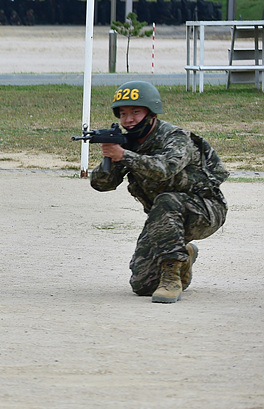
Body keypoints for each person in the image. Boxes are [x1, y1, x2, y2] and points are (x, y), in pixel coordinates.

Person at [90, 81, 229, 303]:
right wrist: (111, 158)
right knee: (142, 285)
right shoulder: (129, 143)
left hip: (206, 211)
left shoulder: (175, 138)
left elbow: (165, 169)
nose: (129, 119)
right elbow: (101, 184)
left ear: (151, 113)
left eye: (136, 112)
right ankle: (185, 255)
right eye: (123, 114)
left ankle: (172, 277)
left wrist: (125, 155)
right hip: (164, 221)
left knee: (166, 200)